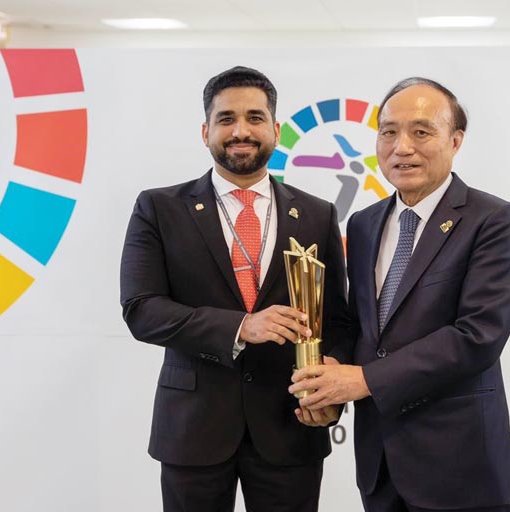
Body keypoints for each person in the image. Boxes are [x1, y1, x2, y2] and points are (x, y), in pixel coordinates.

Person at [289, 77, 510, 512]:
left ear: (455, 141)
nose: (402, 147)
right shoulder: (363, 223)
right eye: (389, 132)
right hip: (380, 462)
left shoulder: (493, 220)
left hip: (459, 463)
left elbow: (478, 336)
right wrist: (331, 377)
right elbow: (356, 324)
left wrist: (363, 380)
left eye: (421, 131)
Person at [120, 66, 348, 512]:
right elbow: (141, 310)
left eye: (255, 118)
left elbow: (337, 319)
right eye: (226, 119)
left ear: (275, 130)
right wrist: (241, 327)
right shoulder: (159, 208)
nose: (241, 131)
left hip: (291, 423)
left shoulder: (318, 214)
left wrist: (330, 390)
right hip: (193, 428)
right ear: (206, 131)